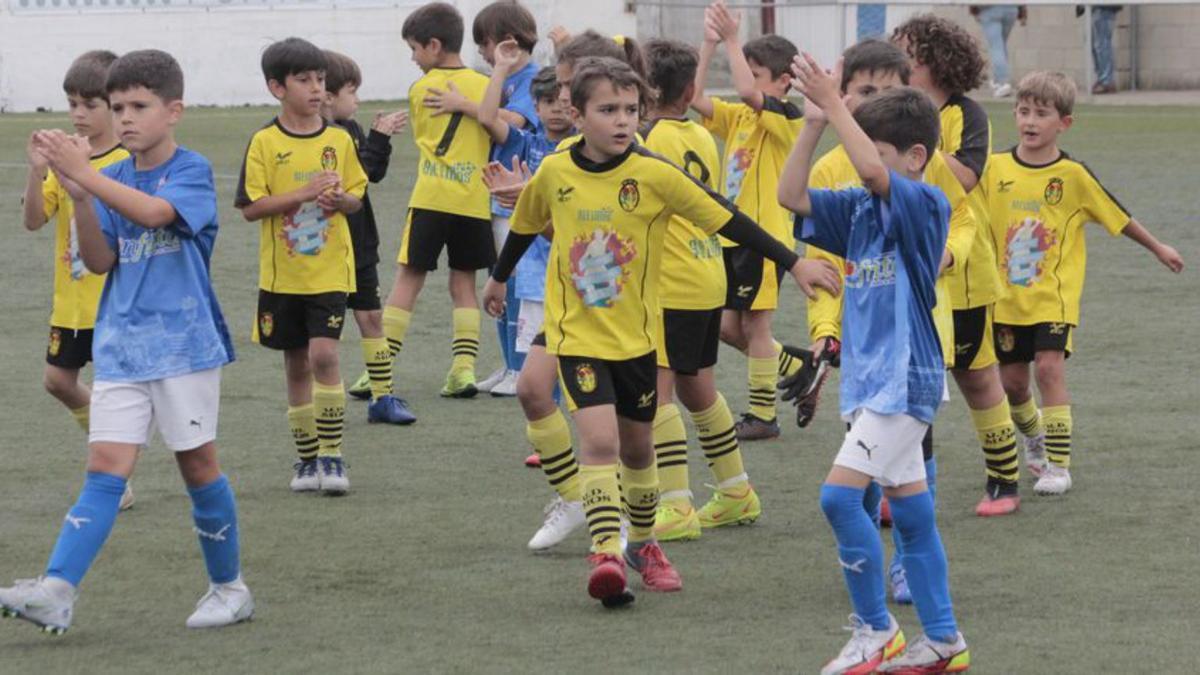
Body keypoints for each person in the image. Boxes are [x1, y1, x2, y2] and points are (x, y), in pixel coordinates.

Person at [482, 57, 840, 607]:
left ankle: (644, 544)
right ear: (576, 115)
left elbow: (728, 218)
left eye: (631, 109)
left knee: (638, 448)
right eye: (608, 110)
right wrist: (499, 279)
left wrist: (794, 263)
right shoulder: (554, 171)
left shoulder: (652, 174)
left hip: (639, 341)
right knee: (599, 443)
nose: (623, 121)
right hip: (578, 338)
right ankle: (606, 553)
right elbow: (527, 224)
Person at [1, 49, 251, 633]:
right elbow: (98, 258)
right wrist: (83, 197)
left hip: (183, 346)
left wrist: (86, 178)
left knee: (198, 467)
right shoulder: (106, 178)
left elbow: (158, 213)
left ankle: (230, 588)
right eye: (118, 107)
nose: (126, 118)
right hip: (120, 345)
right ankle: (57, 589)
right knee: (105, 468)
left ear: (174, 110)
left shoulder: (189, 171)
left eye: (139, 106)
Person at [780, 53, 970, 674]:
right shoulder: (860, 209)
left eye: (881, 152)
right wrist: (813, 122)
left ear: (914, 158)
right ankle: (943, 639)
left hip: (904, 378)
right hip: (869, 382)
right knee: (912, 513)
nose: (868, 165)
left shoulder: (924, 203)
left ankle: (875, 630)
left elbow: (872, 170)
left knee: (838, 500)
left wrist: (839, 104)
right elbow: (791, 195)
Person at [981, 71, 1183, 494]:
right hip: (1003, 300)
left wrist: (1157, 246)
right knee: (1013, 383)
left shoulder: (1072, 176)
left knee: (1050, 369)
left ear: (1064, 122)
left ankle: (1058, 466)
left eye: (1041, 113)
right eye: (1023, 111)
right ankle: (1034, 437)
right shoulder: (993, 168)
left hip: (1053, 298)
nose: (1030, 121)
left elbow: (1117, 214)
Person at [894, 15, 1025, 518]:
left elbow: (966, 176)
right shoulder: (896, 112)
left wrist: (915, 146)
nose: (902, 65)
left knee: (975, 377)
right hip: (912, 274)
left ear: (936, 63)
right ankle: (906, 483)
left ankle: (1004, 479)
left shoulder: (967, 114)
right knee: (914, 379)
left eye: (909, 56)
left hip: (964, 275)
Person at [641, 38, 762, 542]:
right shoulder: (700, 135)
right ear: (691, 90)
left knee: (658, 390)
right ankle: (736, 492)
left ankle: (674, 505)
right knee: (698, 388)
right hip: (708, 272)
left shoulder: (649, 142)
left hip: (672, 281)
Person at [236, 38, 367, 494]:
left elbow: (356, 198)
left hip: (330, 271)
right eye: (304, 80)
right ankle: (306, 459)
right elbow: (251, 207)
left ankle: (333, 457)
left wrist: (341, 199)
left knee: (325, 354)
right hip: (281, 278)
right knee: (295, 365)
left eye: (321, 80)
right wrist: (305, 193)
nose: (316, 89)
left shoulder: (339, 139)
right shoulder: (264, 142)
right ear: (277, 87)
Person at [22, 50, 135, 511]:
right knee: (57, 381)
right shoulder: (66, 156)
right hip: (69, 304)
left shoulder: (129, 160)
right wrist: (37, 170)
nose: (78, 115)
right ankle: (118, 454)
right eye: (72, 104)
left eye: (89, 104)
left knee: (111, 394)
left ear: (115, 104)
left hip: (114, 300)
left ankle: (114, 478)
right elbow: (33, 220)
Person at [693, 1, 807, 441]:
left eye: (757, 73)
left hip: (764, 238)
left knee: (757, 327)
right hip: (730, 238)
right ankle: (796, 365)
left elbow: (745, 92)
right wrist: (708, 43)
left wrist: (733, 41)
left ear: (783, 82)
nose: (748, 79)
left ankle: (763, 415)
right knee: (725, 327)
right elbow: (695, 99)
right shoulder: (741, 117)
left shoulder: (787, 117)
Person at [381, 2, 493, 404]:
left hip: (431, 197)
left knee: (407, 279)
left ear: (433, 45)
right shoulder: (485, 86)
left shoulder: (420, 90)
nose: (413, 59)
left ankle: (380, 370)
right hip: (473, 199)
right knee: (463, 283)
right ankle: (463, 369)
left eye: (414, 49)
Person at [322, 50, 416, 426]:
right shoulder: (322, 137)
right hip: (324, 247)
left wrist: (379, 139)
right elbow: (352, 179)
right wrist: (377, 139)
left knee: (371, 317)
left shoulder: (351, 128)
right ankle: (323, 399)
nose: (357, 100)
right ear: (327, 96)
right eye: (351, 91)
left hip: (359, 244)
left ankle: (382, 396)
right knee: (325, 329)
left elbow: (369, 176)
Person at [472, 0, 542, 397]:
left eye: (484, 42)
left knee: (515, 282)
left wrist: (461, 102)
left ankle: (522, 367)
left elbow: (504, 122)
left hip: (519, 197)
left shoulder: (533, 80)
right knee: (500, 281)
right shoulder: (510, 80)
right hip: (499, 194)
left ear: (505, 42)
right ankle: (509, 363)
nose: (482, 53)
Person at [971, 5, 1026, 97]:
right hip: (1011, 9)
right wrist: (1023, 12)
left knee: (996, 47)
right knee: (1000, 45)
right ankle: (998, 80)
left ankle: (1002, 82)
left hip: (990, 8)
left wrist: (974, 9)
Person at [1083, 5, 1123, 94]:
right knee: (1095, 45)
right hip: (1098, 8)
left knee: (1102, 45)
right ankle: (1103, 79)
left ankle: (1106, 81)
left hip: (1103, 7)